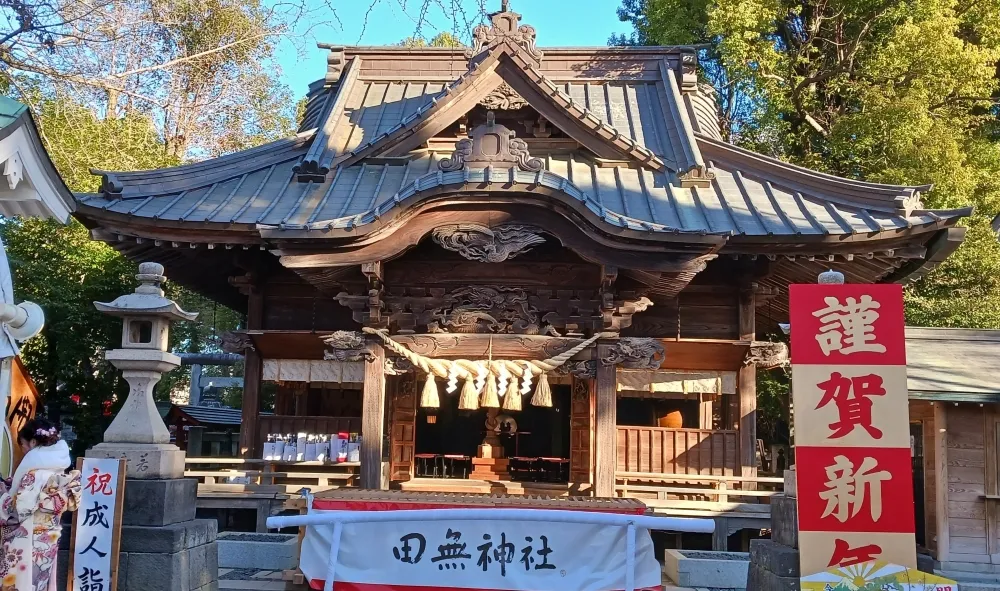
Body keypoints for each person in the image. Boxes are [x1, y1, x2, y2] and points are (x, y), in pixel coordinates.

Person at [0, 418, 81, 591]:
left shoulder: (34, 475)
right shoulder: (58, 469)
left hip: (26, 540)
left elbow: (13, 513)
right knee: (39, 583)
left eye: (22, 444)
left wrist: (1, 493)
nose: (22, 450)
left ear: (33, 442)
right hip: (47, 541)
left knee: (20, 584)